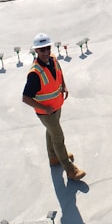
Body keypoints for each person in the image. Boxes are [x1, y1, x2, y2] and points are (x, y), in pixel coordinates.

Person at [22, 33, 86, 181]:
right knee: (58, 137)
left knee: (51, 132)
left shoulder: (53, 59)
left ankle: (53, 158)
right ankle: (70, 169)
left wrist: (64, 85)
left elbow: (59, 72)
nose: (45, 52)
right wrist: (44, 109)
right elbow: (25, 98)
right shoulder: (34, 73)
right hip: (46, 112)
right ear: (36, 51)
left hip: (56, 106)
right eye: (42, 49)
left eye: (47, 48)